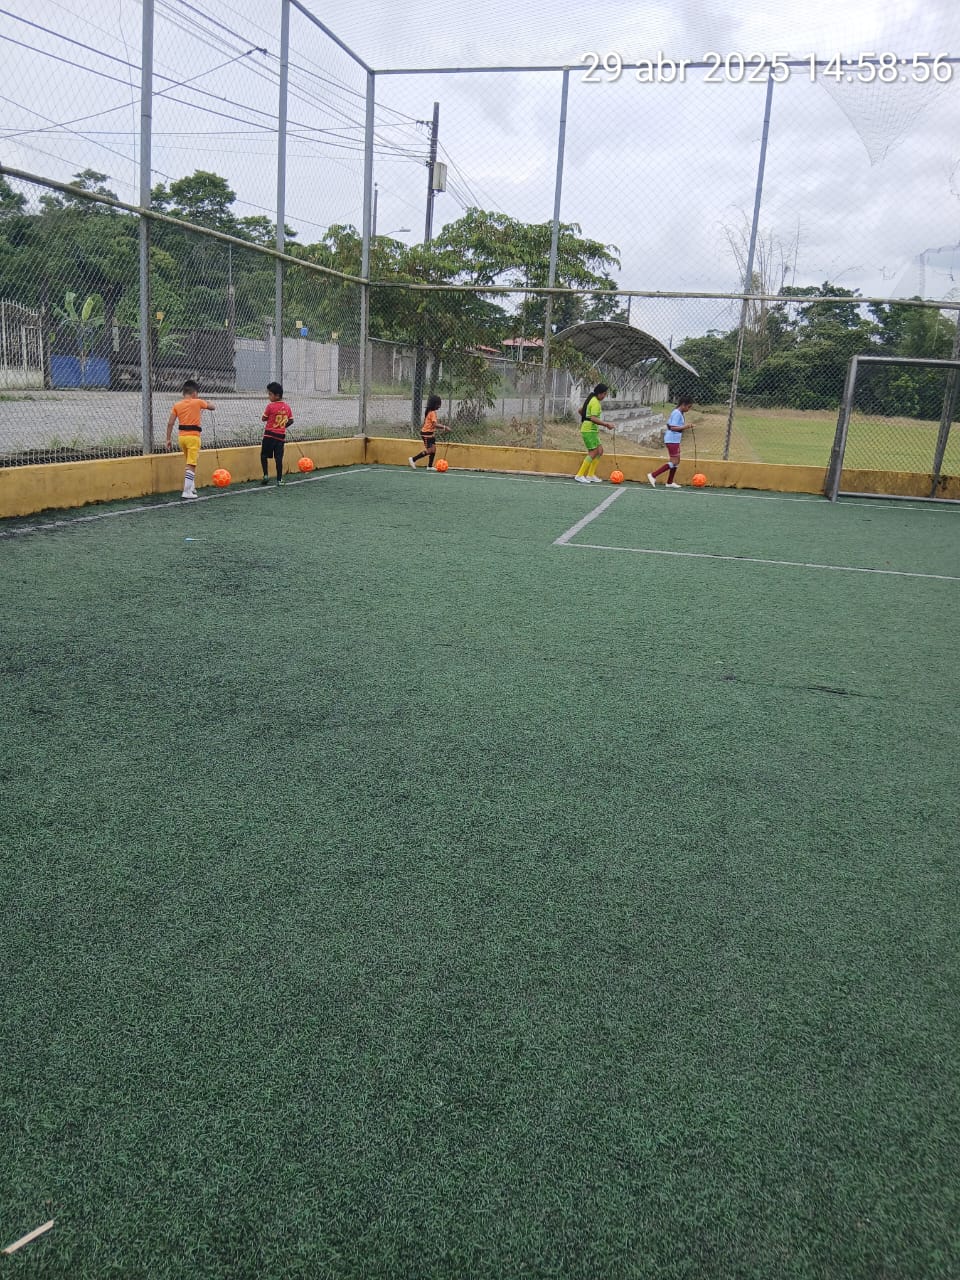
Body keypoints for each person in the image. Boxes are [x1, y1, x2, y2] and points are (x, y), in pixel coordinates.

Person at [165, 379, 215, 500]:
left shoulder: (177, 405)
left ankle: (191, 487)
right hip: (193, 437)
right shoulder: (198, 402)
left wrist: (168, 439)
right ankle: (186, 491)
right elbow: (212, 407)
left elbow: (170, 423)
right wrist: (208, 402)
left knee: (188, 462)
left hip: (182, 437)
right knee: (192, 464)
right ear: (194, 393)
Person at [648, 396, 694, 488]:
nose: (688, 409)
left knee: (677, 461)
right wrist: (686, 426)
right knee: (674, 461)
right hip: (672, 440)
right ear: (683, 405)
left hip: (675, 440)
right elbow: (673, 427)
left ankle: (669, 482)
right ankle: (653, 475)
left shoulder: (678, 412)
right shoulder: (677, 413)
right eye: (688, 407)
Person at [575, 383, 616, 484]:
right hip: (588, 430)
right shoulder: (595, 402)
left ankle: (590, 475)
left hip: (592, 430)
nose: (605, 396)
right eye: (604, 394)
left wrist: (586, 418)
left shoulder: (591, 400)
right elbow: (593, 418)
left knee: (600, 451)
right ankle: (579, 475)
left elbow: (580, 410)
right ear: (600, 393)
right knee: (593, 452)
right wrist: (606, 424)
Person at [260, 381, 294, 487]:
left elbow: (263, 418)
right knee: (278, 458)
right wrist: (283, 426)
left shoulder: (270, 406)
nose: (269, 396)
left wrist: (271, 419)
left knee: (264, 455)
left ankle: (266, 475)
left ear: (277, 395)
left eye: (270, 394)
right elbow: (291, 420)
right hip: (280, 437)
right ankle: (279, 480)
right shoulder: (287, 407)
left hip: (269, 435)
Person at [408, 395, 449, 470]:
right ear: (434, 404)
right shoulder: (432, 412)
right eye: (439, 404)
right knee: (430, 450)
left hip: (431, 434)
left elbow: (433, 425)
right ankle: (413, 459)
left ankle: (429, 466)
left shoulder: (431, 412)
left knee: (434, 449)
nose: (439, 406)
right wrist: (445, 427)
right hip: (426, 434)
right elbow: (435, 424)